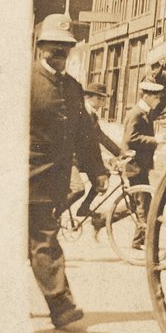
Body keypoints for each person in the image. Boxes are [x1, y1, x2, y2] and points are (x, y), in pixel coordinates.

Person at [29, 14, 106, 330]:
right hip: (28, 177)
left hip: (56, 181)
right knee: (44, 239)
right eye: (54, 48)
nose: (59, 54)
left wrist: (96, 171)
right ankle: (61, 305)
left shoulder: (73, 88)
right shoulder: (26, 82)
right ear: (41, 47)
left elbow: (85, 135)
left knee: (37, 241)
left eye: (65, 49)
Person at [122, 80, 166, 249]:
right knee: (142, 203)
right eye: (155, 97)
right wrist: (155, 140)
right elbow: (131, 139)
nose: (158, 100)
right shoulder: (137, 113)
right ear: (146, 95)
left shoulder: (144, 112)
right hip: (134, 165)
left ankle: (138, 239)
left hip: (140, 165)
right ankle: (143, 241)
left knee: (142, 202)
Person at [73, 84, 121, 231]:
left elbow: (100, 136)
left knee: (104, 173)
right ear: (88, 97)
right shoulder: (80, 112)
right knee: (77, 189)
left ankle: (84, 208)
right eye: (99, 99)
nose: (102, 103)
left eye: (103, 100)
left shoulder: (91, 114)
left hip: (82, 157)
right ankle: (54, 216)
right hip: (71, 157)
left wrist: (119, 153)